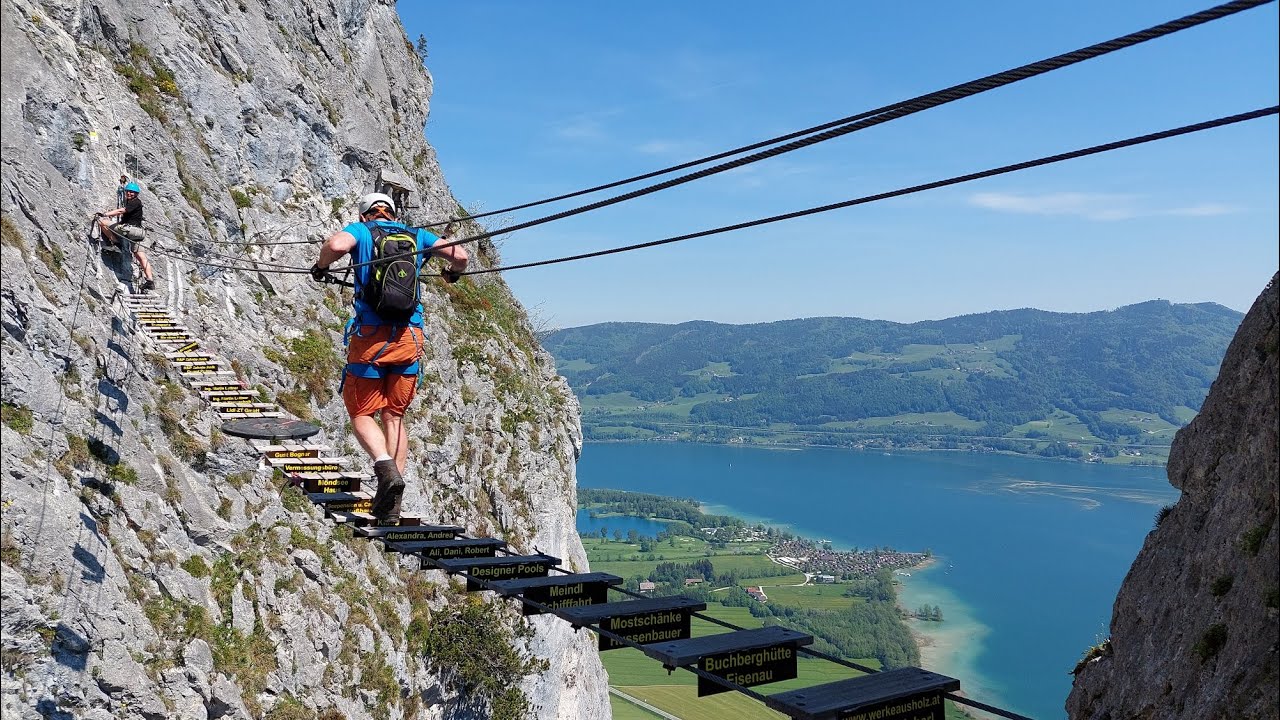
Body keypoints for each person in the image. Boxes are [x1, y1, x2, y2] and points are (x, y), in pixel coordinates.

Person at [312, 192, 468, 523]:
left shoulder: (362, 231)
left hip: (371, 339)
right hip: (409, 338)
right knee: (394, 416)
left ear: (367, 213)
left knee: (362, 412)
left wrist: (321, 266)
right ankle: (391, 503)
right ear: (393, 213)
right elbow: (462, 256)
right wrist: (451, 273)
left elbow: (337, 245)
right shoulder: (417, 236)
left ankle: (385, 469)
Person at [99, 180, 155, 291]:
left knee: (102, 222)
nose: (129, 193)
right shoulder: (136, 203)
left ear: (136, 194)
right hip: (138, 233)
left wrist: (105, 214)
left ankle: (115, 244)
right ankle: (150, 281)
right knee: (140, 256)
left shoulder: (135, 202)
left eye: (132, 192)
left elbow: (121, 210)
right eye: (128, 192)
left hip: (131, 230)